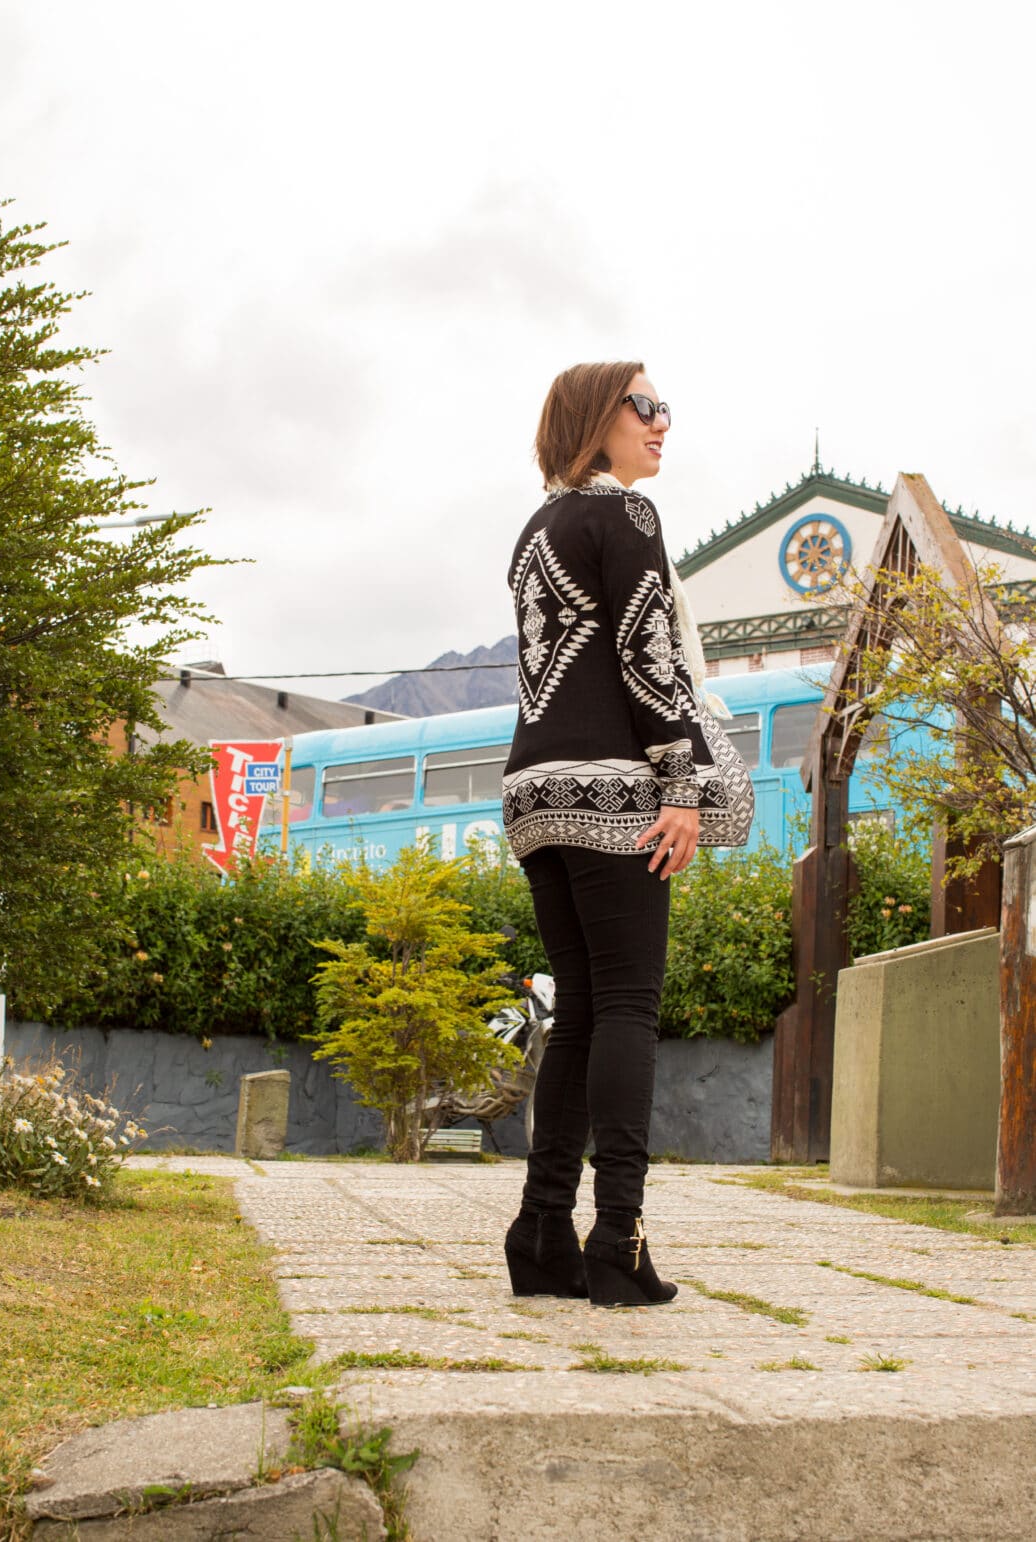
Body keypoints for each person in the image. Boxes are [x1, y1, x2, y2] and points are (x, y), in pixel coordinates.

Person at [501, 360, 754, 1307]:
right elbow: (650, 658)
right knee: (628, 1009)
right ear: (594, 418)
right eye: (644, 408)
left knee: (580, 1009)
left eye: (664, 409)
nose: (661, 424)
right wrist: (680, 786)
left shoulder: (536, 531)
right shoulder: (625, 517)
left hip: (534, 791)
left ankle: (541, 1234)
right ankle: (617, 1241)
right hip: (616, 791)